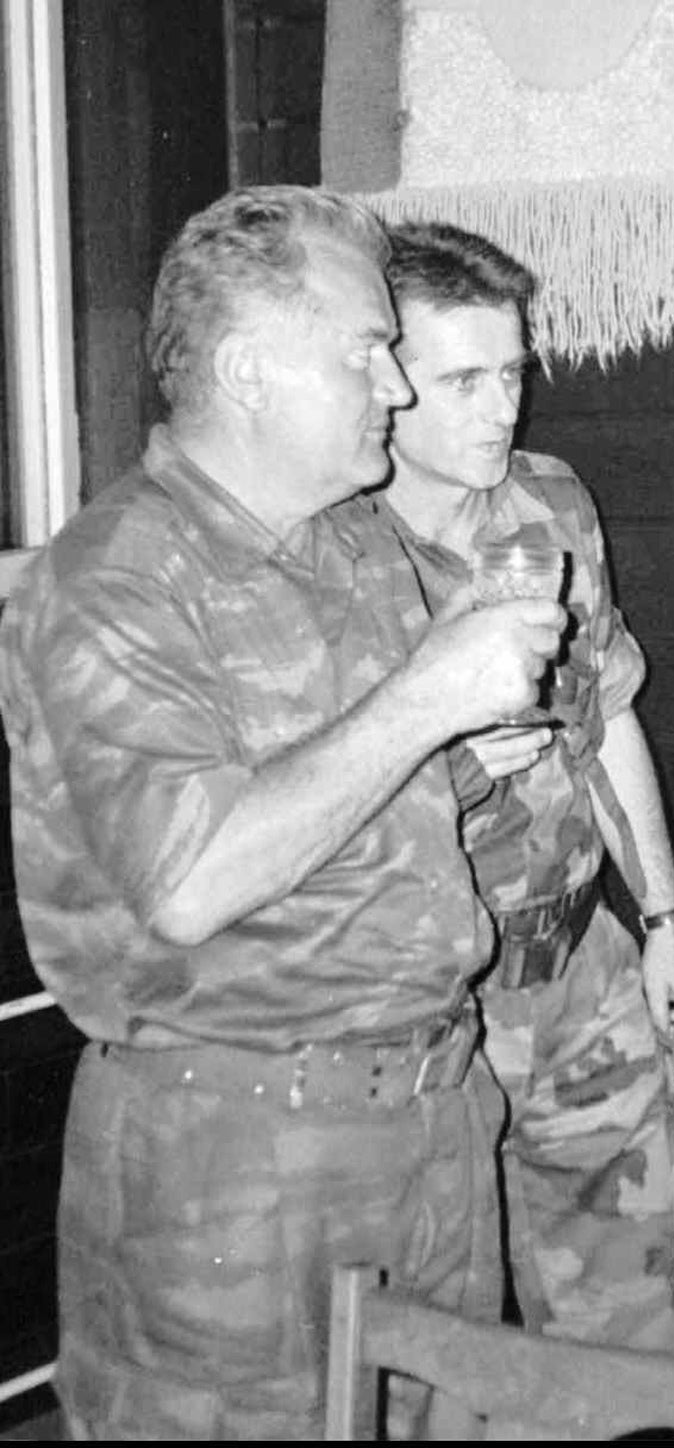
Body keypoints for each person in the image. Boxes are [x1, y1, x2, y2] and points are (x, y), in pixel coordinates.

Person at [0, 186, 568, 1437]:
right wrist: (427, 699)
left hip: (430, 1127)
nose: (399, 387)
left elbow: (352, 811)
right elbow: (192, 877)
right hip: (239, 1170)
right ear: (250, 371)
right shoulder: (112, 577)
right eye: (367, 349)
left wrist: (475, 752)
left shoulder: (354, 544)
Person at [376, 219, 674, 1351]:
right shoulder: (334, 559)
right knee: (430, 1355)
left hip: (578, 982)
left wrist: (663, 916)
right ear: (381, 379)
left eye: (512, 370)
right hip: (421, 1016)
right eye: (460, 378)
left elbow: (611, 713)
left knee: (626, 1345)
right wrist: (451, 772)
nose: (500, 406)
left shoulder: (551, 505)